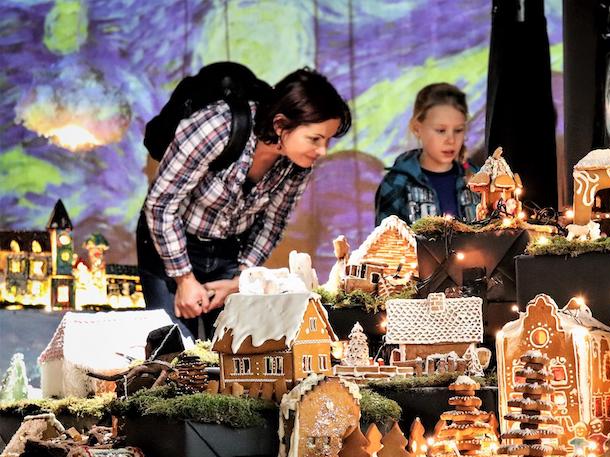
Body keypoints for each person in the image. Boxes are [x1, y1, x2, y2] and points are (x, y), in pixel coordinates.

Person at [138, 68, 351, 339]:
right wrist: (184, 279)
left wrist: (240, 280)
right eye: (315, 139)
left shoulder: (299, 164)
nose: (322, 150)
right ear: (280, 125)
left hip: (229, 247)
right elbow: (160, 203)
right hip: (169, 242)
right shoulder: (218, 127)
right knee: (174, 345)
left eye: (328, 140)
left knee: (236, 344)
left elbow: (273, 222)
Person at [374, 83, 480, 225]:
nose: (451, 140)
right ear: (417, 128)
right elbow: (385, 244)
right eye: (441, 130)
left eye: (458, 130)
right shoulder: (396, 184)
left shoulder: (478, 179)